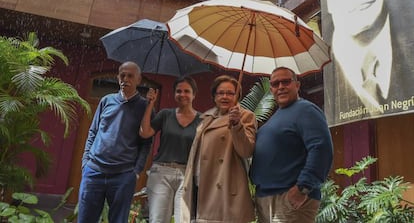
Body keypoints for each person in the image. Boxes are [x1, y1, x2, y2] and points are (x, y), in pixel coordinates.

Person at [250, 67, 333, 223]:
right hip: (266, 199)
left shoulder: (306, 110)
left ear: (297, 85)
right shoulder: (278, 115)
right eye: (275, 84)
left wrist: (303, 188)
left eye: (286, 81)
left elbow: (321, 149)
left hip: (290, 198)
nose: (280, 87)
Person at [78, 61, 153, 223]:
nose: (125, 79)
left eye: (130, 76)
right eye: (122, 75)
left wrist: (136, 171)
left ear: (139, 80)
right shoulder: (106, 101)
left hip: (124, 175)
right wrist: (85, 161)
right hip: (94, 171)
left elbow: (146, 143)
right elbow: (93, 131)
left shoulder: (145, 107)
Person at [180, 75, 257, 223]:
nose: (225, 97)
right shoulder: (206, 118)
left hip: (224, 190)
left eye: (230, 93)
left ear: (237, 96)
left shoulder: (245, 116)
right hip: (198, 186)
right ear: (214, 97)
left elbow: (246, 150)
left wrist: (237, 125)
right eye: (220, 93)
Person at [139, 76, 202, 223]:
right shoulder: (165, 114)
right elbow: (145, 132)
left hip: (187, 174)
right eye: (178, 91)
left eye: (187, 91)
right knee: (158, 220)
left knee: (184, 220)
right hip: (162, 172)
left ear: (194, 94)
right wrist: (150, 104)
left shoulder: (203, 120)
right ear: (174, 94)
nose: (182, 94)